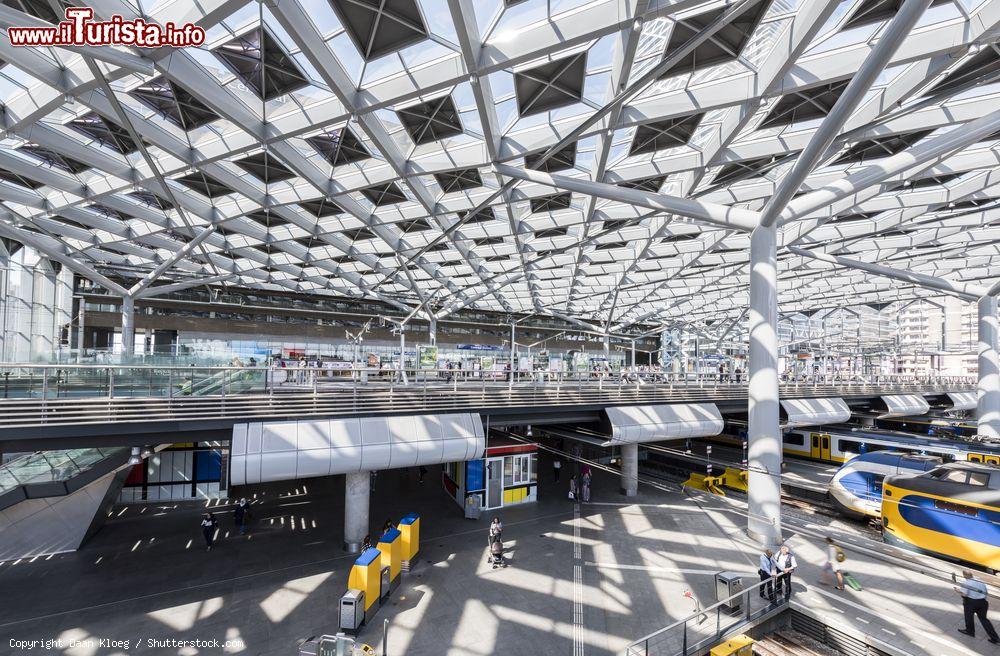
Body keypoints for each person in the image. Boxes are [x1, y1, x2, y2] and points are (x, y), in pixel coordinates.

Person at [955, 570, 999, 643]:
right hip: (983, 603)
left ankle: (970, 631)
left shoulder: (966, 583)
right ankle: (995, 638)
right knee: (984, 620)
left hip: (971, 603)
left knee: (969, 617)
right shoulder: (980, 582)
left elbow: (964, 595)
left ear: (965, 575)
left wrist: (958, 591)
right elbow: (985, 593)